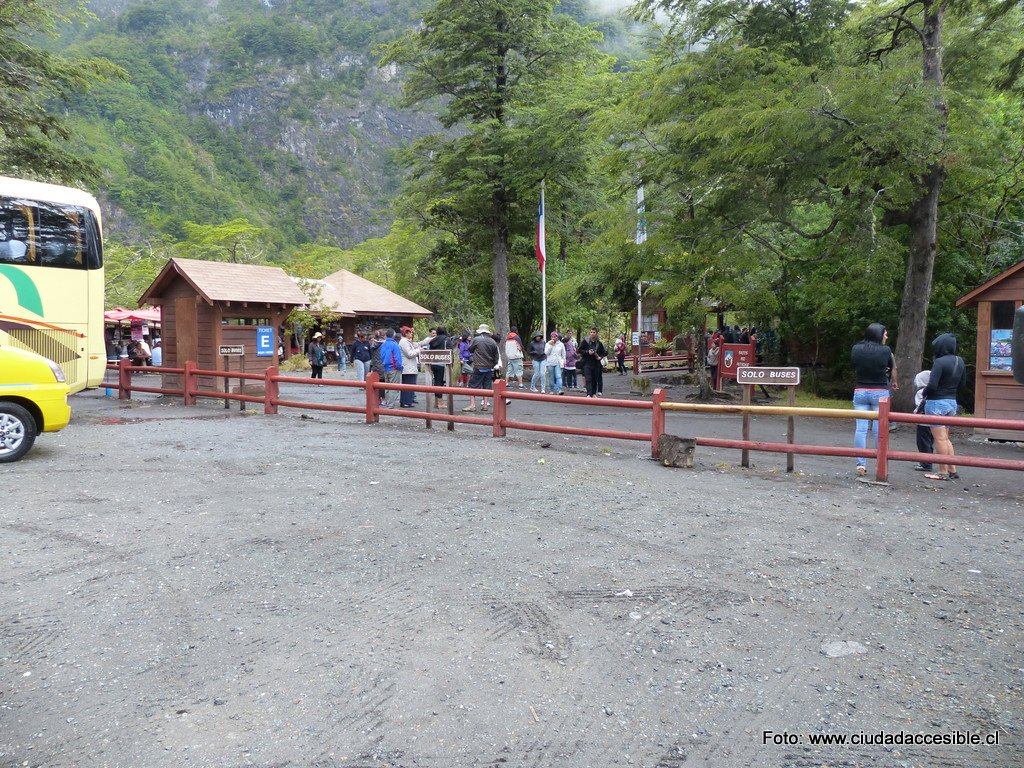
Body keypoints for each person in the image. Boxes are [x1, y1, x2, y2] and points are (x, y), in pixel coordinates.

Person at [850, 322, 898, 477]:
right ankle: (880, 462)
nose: (886, 336)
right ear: (879, 335)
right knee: (879, 430)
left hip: (860, 390)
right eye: (885, 333)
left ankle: (860, 464)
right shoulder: (886, 351)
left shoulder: (856, 349)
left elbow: (854, 365)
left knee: (861, 429)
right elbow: (890, 369)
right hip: (880, 392)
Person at [922, 333, 966, 482]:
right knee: (946, 438)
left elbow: (932, 385)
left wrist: (924, 392)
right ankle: (953, 469)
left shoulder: (939, 362)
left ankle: (942, 472)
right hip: (951, 402)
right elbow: (962, 384)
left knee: (939, 439)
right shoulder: (960, 361)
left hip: (936, 403)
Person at [463, 324, 499, 412]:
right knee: (487, 386)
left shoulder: (477, 340)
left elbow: (470, 349)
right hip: (489, 367)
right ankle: (485, 405)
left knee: (472, 386)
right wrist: (492, 365)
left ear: (480, 332)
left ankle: (472, 405)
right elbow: (496, 356)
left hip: (478, 366)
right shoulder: (493, 341)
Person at [912, 369, 934, 473]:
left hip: (923, 421)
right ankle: (929, 460)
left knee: (922, 442)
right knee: (930, 441)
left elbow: (919, 405)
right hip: (933, 420)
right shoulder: (934, 391)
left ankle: (926, 463)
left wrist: (915, 414)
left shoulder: (921, 392)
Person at [578, 327, 606, 397]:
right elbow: (580, 350)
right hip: (587, 363)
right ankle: (588, 394)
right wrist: (587, 352)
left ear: (596, 333)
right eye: (591, 332)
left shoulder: (599, 343)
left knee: (594, 379)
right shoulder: (585, 341)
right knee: (588, 378)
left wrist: (600, 357)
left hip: (596, 364)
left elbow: (604, 352)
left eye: (594, 332)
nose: (592, 334)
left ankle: (593, 393)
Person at [428, 325, 450, 408]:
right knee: (440, 382)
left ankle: (436, 402)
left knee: (436, 382)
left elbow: (429, 351)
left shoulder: (433, 340)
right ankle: (440, 403)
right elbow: (449, 352)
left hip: (433, 363)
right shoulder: (446, 340)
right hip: (442, 363)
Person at [379, 329, 402, 408]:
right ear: (393, 335)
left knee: (388, 387)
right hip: (394, 368)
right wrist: (399, 367)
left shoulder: (383, 344)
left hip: (386, 368)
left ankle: (387, 402)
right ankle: (390, 405)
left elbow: (381, 356)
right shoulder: (394, 344)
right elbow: (397, 358)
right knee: (394, 387)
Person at [398, 326, 420, 407]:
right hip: (408, 367)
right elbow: (409, 354)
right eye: (410, 332)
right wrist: (419, 350)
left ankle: (407, 401)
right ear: (406, 333)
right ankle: (406, 402)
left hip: (409, 367)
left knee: (409, 384)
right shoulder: (404, 342)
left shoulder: (406, 341)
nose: (411, 334)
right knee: (408, 385)